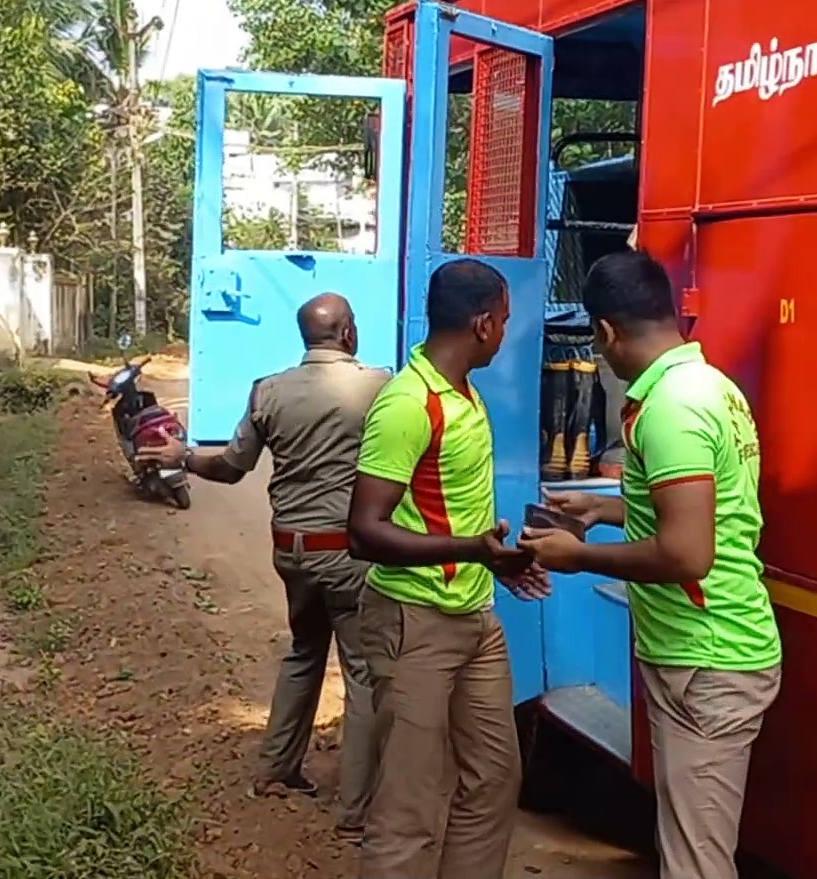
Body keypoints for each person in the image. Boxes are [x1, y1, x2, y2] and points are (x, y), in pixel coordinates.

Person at [522, 249, 781, 879]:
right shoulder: (709, 385)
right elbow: (701, 511)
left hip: (707, 656)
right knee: (688, 844)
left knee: (695, 862)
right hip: (704, 651)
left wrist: (577, 556)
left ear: (606, 331)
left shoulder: (670, 408)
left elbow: (688, 552)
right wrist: (603, 511)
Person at [138, 292, 390, 840]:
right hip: (346, 554)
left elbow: (231, 468)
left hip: (291, 550)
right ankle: (355, 815)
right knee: (363, 674)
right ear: (348, 333)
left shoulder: (268, 390)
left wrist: (182, 456)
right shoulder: (378, 387)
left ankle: (276, 772)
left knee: (304, 652)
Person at [346, 258, 550, 879]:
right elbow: (365, 531)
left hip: (474, 618)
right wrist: (472, 552)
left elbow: (449, 512)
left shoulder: (463, 393)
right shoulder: (408, 404)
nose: (507, 334)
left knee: (493, 778)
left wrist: (499, 566)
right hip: (414, 624)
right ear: (484, 324)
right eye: (507, 322)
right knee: (407, 803)